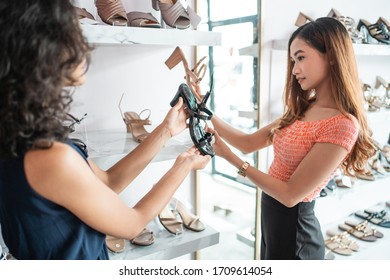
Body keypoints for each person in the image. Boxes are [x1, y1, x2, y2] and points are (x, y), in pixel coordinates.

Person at [0, 0, 211, 260]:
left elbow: (108, 183)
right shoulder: (50, 156)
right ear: (43, 50)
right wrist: (184, 165)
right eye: (73, 34)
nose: (84, 45)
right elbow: (132, 224)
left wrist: (165, 130)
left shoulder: (21, 136)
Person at [198, 17, 376, 259]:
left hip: (296, 235)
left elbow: (291, 195)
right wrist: (204, 109)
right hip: (272, 220)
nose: (294, 70)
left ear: (332, 55)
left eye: (301, 57)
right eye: (293, 61)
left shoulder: (342, 125)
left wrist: (229, 158)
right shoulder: (303, 109)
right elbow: (248, 143)